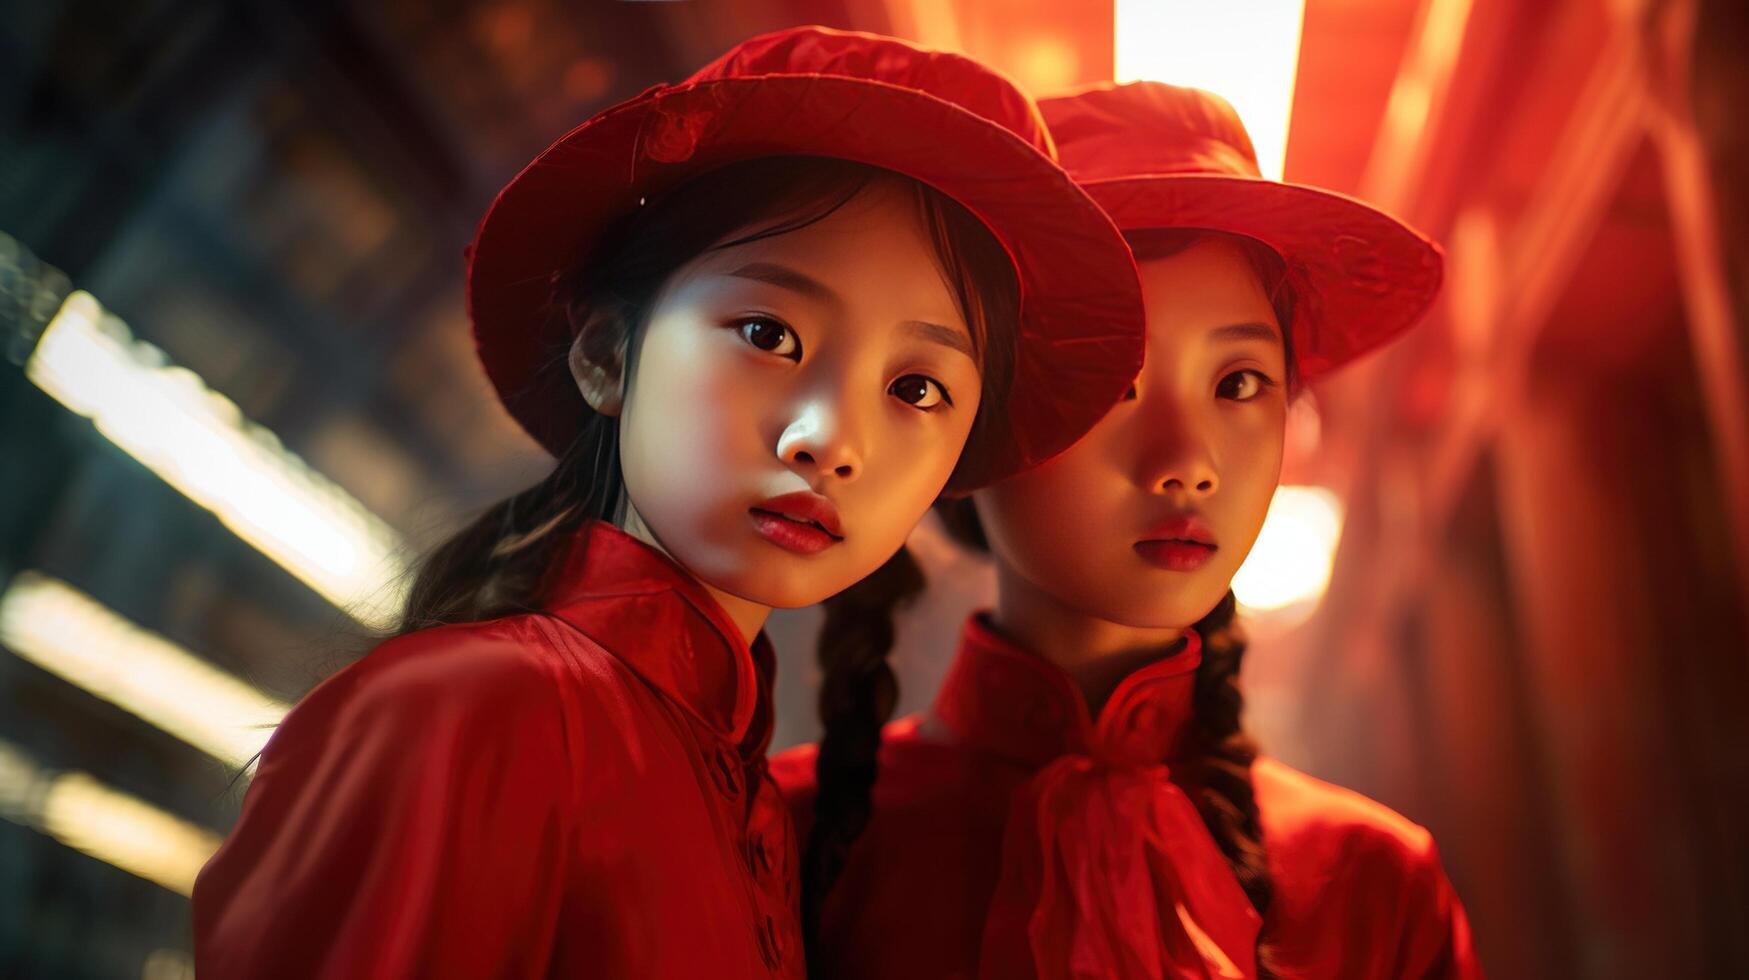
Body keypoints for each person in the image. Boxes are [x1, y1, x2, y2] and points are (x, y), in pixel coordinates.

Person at [192, 28, 1146, 979]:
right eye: (768, 332)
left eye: (917, 389)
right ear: (607, 354)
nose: (829, 439)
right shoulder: (465, 715)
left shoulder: (736, 786)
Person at [774, 80, 1480, 979]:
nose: (1186, 460)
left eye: (1239, 384)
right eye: (1112, 384)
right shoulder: (785, 840)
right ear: (967, 421)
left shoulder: (1375, 881)